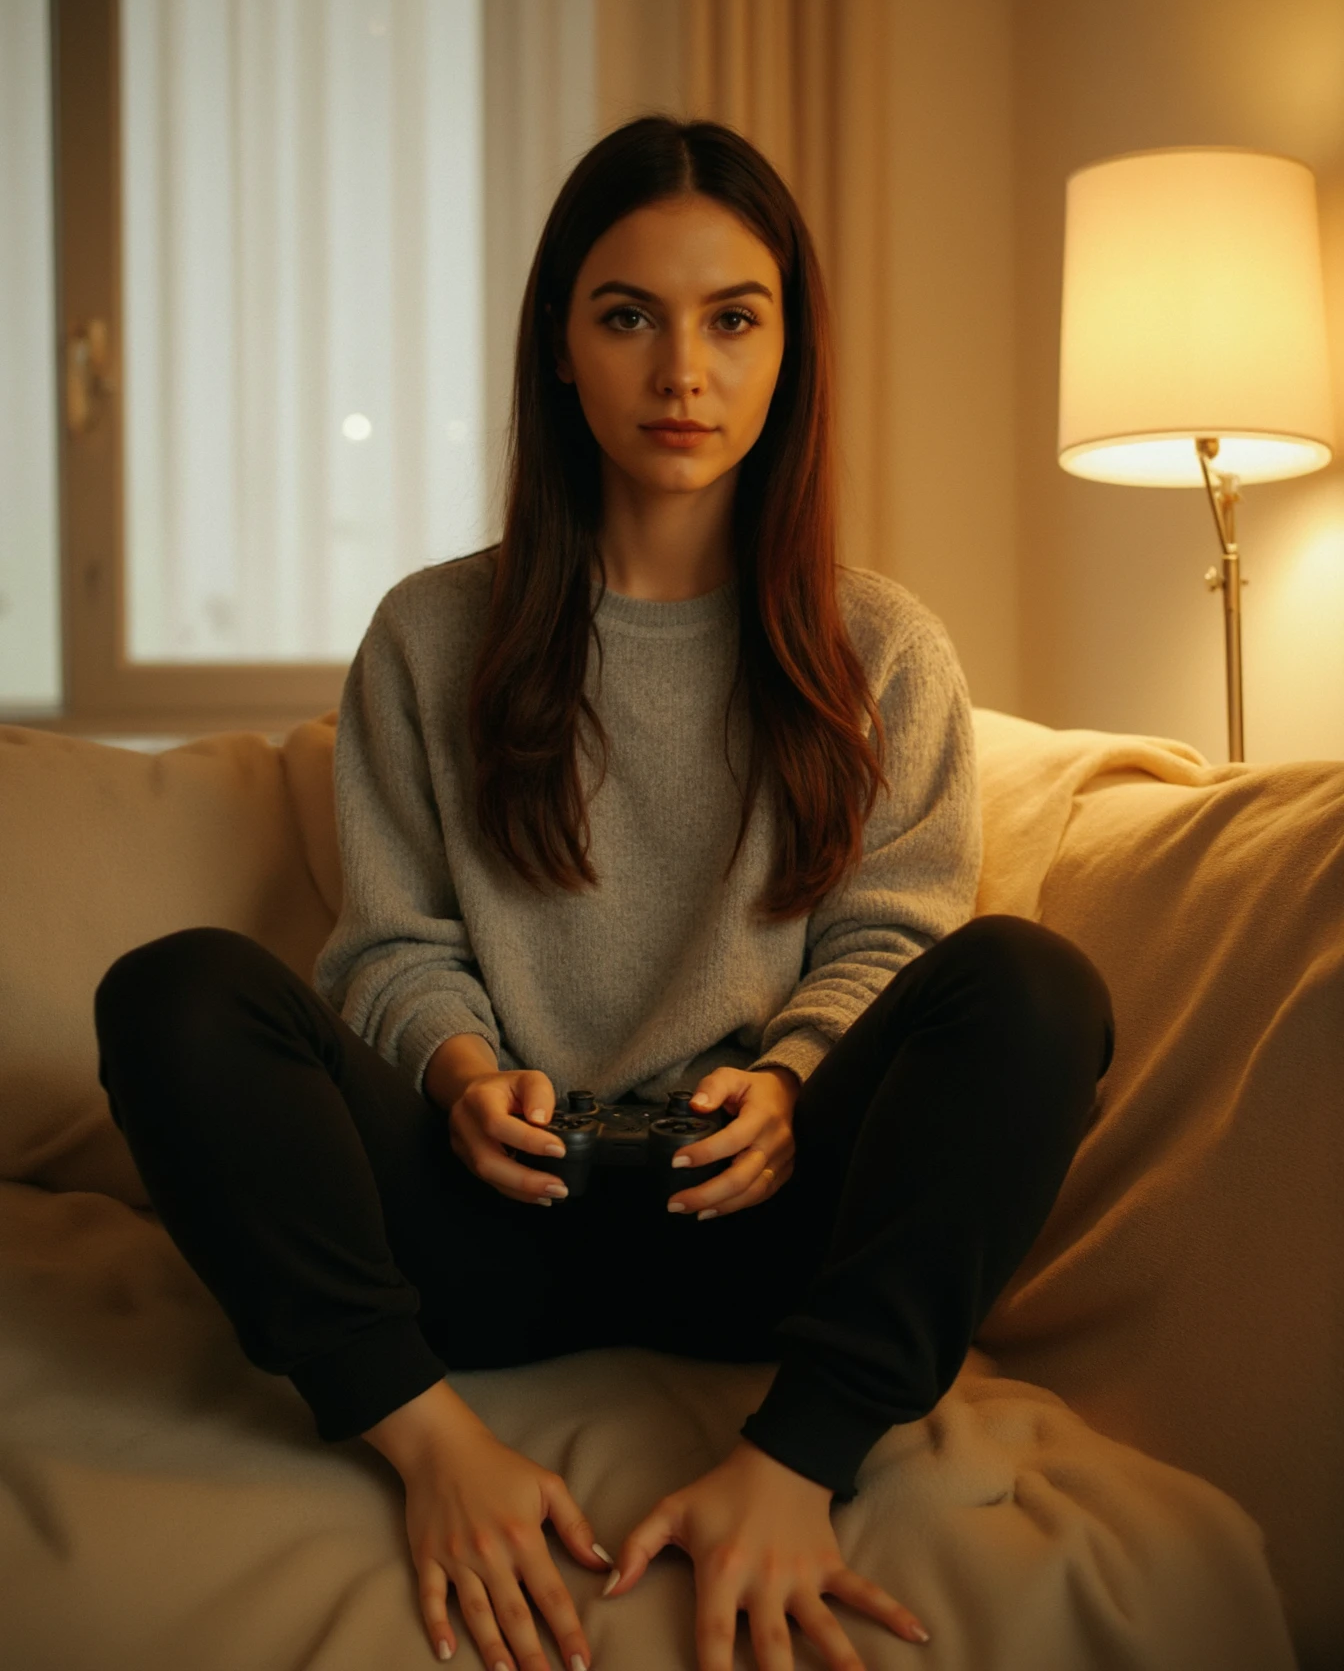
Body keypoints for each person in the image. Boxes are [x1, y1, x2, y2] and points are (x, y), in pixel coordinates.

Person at [93, 114, 1115, 1671]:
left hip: (762, 1223)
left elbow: (896, 934)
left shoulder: (882, 648)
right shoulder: (433, 635)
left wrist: (793, 1076)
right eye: (628, 314)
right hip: (493, 1222)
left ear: (790, 354)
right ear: (561, 349)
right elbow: (389, 942)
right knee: (171, 993)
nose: (680, 371)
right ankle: (427, 1444)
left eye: (732, 319)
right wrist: (456, 1074)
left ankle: (797, 1463)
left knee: (1038, 991)